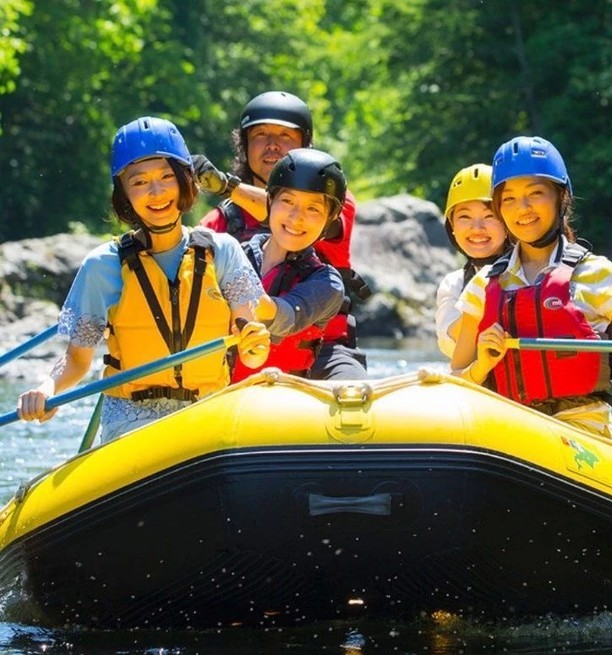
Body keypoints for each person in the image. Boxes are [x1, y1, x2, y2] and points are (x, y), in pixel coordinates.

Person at [16, 117, 270, 442]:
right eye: (139, 183)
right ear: (124, 194)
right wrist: (46, 388)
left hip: (208, 407)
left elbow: (252, 351)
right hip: (130, 418)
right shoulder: (102, 266)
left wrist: (254, 347)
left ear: (184, 182)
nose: (156, 192)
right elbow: (76, 361)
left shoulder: (222, 251)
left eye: (167, 177)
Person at [451, 136, 612, 441]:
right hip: (510, 432)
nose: (523, 208)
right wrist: (482, 365)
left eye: (535, 193)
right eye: (509, 199)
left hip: (583, 437)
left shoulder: (597, 274)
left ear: (561, 197)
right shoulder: (483, 286)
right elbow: (455, 381)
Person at [194, 90, 368, 378]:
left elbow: (277, 210)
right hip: (240, 352)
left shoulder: (334, 199)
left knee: (353, 393)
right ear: (245, 145)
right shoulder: (220, 221)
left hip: (324, 349)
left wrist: (227, 186)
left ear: (304, 144)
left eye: (285, 137)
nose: (272, 146)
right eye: (261, 135)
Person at [232, 148, 360, 381]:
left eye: (313, 208)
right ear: (269, 201)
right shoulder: (235, 255)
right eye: (288, 201)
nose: (296, 217)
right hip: (221, 396)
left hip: (285, 399)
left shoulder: (328, 284)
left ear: (329, 220)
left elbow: (284, 318)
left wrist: (233, 285)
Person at [434, 163, 511, 358]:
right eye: (465, 217)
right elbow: (450, 343)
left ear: (508, 222)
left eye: (489, 216)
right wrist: (483, 288)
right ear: (451, 225)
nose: (477, 228)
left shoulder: (529, 270)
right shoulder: (454, 283)